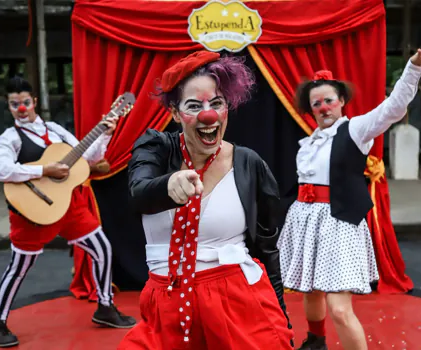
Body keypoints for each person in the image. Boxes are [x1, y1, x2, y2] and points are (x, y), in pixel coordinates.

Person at [277, 42, 421, 350]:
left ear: (341, 101)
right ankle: (315, 342)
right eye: (317, 104)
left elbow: (393, 107)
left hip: (338, 223)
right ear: (310, 108)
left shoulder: (356, 130)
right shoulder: (309, 143)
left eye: (329, 100)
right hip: (305, 220)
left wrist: (414, 67)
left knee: (340, 310)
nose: (324, 107)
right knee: (311, 291)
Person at [118, 51, 294, 350]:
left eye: (216, 104)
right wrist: (169, 184)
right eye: (193, 105)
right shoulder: (156, 148)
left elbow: (266, 250)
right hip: (167, 303)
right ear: (175, 113)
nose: (208, 115)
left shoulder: (249, 164)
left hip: (237, 300)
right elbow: (139, 193)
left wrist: (280, 318)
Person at [0, 76, 136, 348]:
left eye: (26, 102)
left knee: (102, 249)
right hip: (33, 212)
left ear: (35, 101)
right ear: (9, 107)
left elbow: (89, 158)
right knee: (19, 268)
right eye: (14, 104)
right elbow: (0, 170)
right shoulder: (10, 138)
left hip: (71, 206)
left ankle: (105, 307)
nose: (21, 108)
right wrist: (45, 170)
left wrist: (105, 131)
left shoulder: (55, 130)